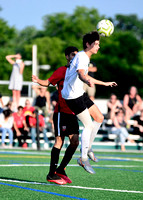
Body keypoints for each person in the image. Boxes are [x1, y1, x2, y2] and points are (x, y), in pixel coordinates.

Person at [61, 31, 117, 174]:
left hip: (79, 92)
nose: (99, 46)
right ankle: (83, 158)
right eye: (96, 44)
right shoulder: (82, 57)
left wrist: (105, 83)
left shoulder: (83, 56)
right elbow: (81, 74)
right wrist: (86, 80)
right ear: (88, 44)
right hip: (72, 96)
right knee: (89, 125)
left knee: (99, 117)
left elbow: (84, 76)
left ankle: (88, 147)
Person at [32, 46, 79, 185]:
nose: (74, 57)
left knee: (75, 142)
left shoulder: (78, 72)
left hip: (73, 112)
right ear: (67, 56)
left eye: (76, 55)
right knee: (59, 141)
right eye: (72, 55)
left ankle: (61, 169)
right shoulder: (62, 71)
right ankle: (51, 174)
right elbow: (47, 82)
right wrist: (37, 80)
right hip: (61, 113)